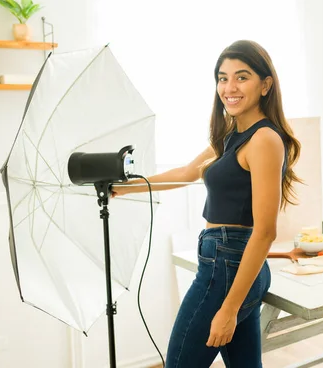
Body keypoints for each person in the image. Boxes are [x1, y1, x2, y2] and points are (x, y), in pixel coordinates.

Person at [112, 39, 302, 367]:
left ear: (265, 85)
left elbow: (265, 232)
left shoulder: (264, 139)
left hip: (228, 265)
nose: (229, 87)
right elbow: (187, 172)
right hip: (227, 262)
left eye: (242, 77)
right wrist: (123, 187)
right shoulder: (231, 137)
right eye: (222, 77)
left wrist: (228, 309)